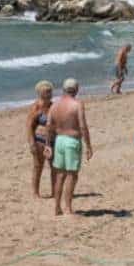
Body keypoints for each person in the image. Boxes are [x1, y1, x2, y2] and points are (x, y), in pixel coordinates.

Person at [46, 78, 93, 216]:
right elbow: (83, 126)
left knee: (60, 174)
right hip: (72, 140)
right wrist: (89, 145)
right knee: (72, 175)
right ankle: (68, 208)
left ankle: (57, 207)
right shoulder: (77, 104)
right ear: (76, 90)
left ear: (63, 89)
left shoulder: (54, 105)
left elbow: (49, 125)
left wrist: (48, 144)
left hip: (59, 140)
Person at [26, 80, 55, 199]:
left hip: (53, 140)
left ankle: (55, 192)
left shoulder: (53, 106)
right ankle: (35, 192)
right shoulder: (36, 107)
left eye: (50, 91)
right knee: (38, 166)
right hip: (39, 140)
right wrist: (31, 143)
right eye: (46, 92)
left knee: (54, 167)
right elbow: (29, 126)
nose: (49, 94)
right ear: (40, 93)